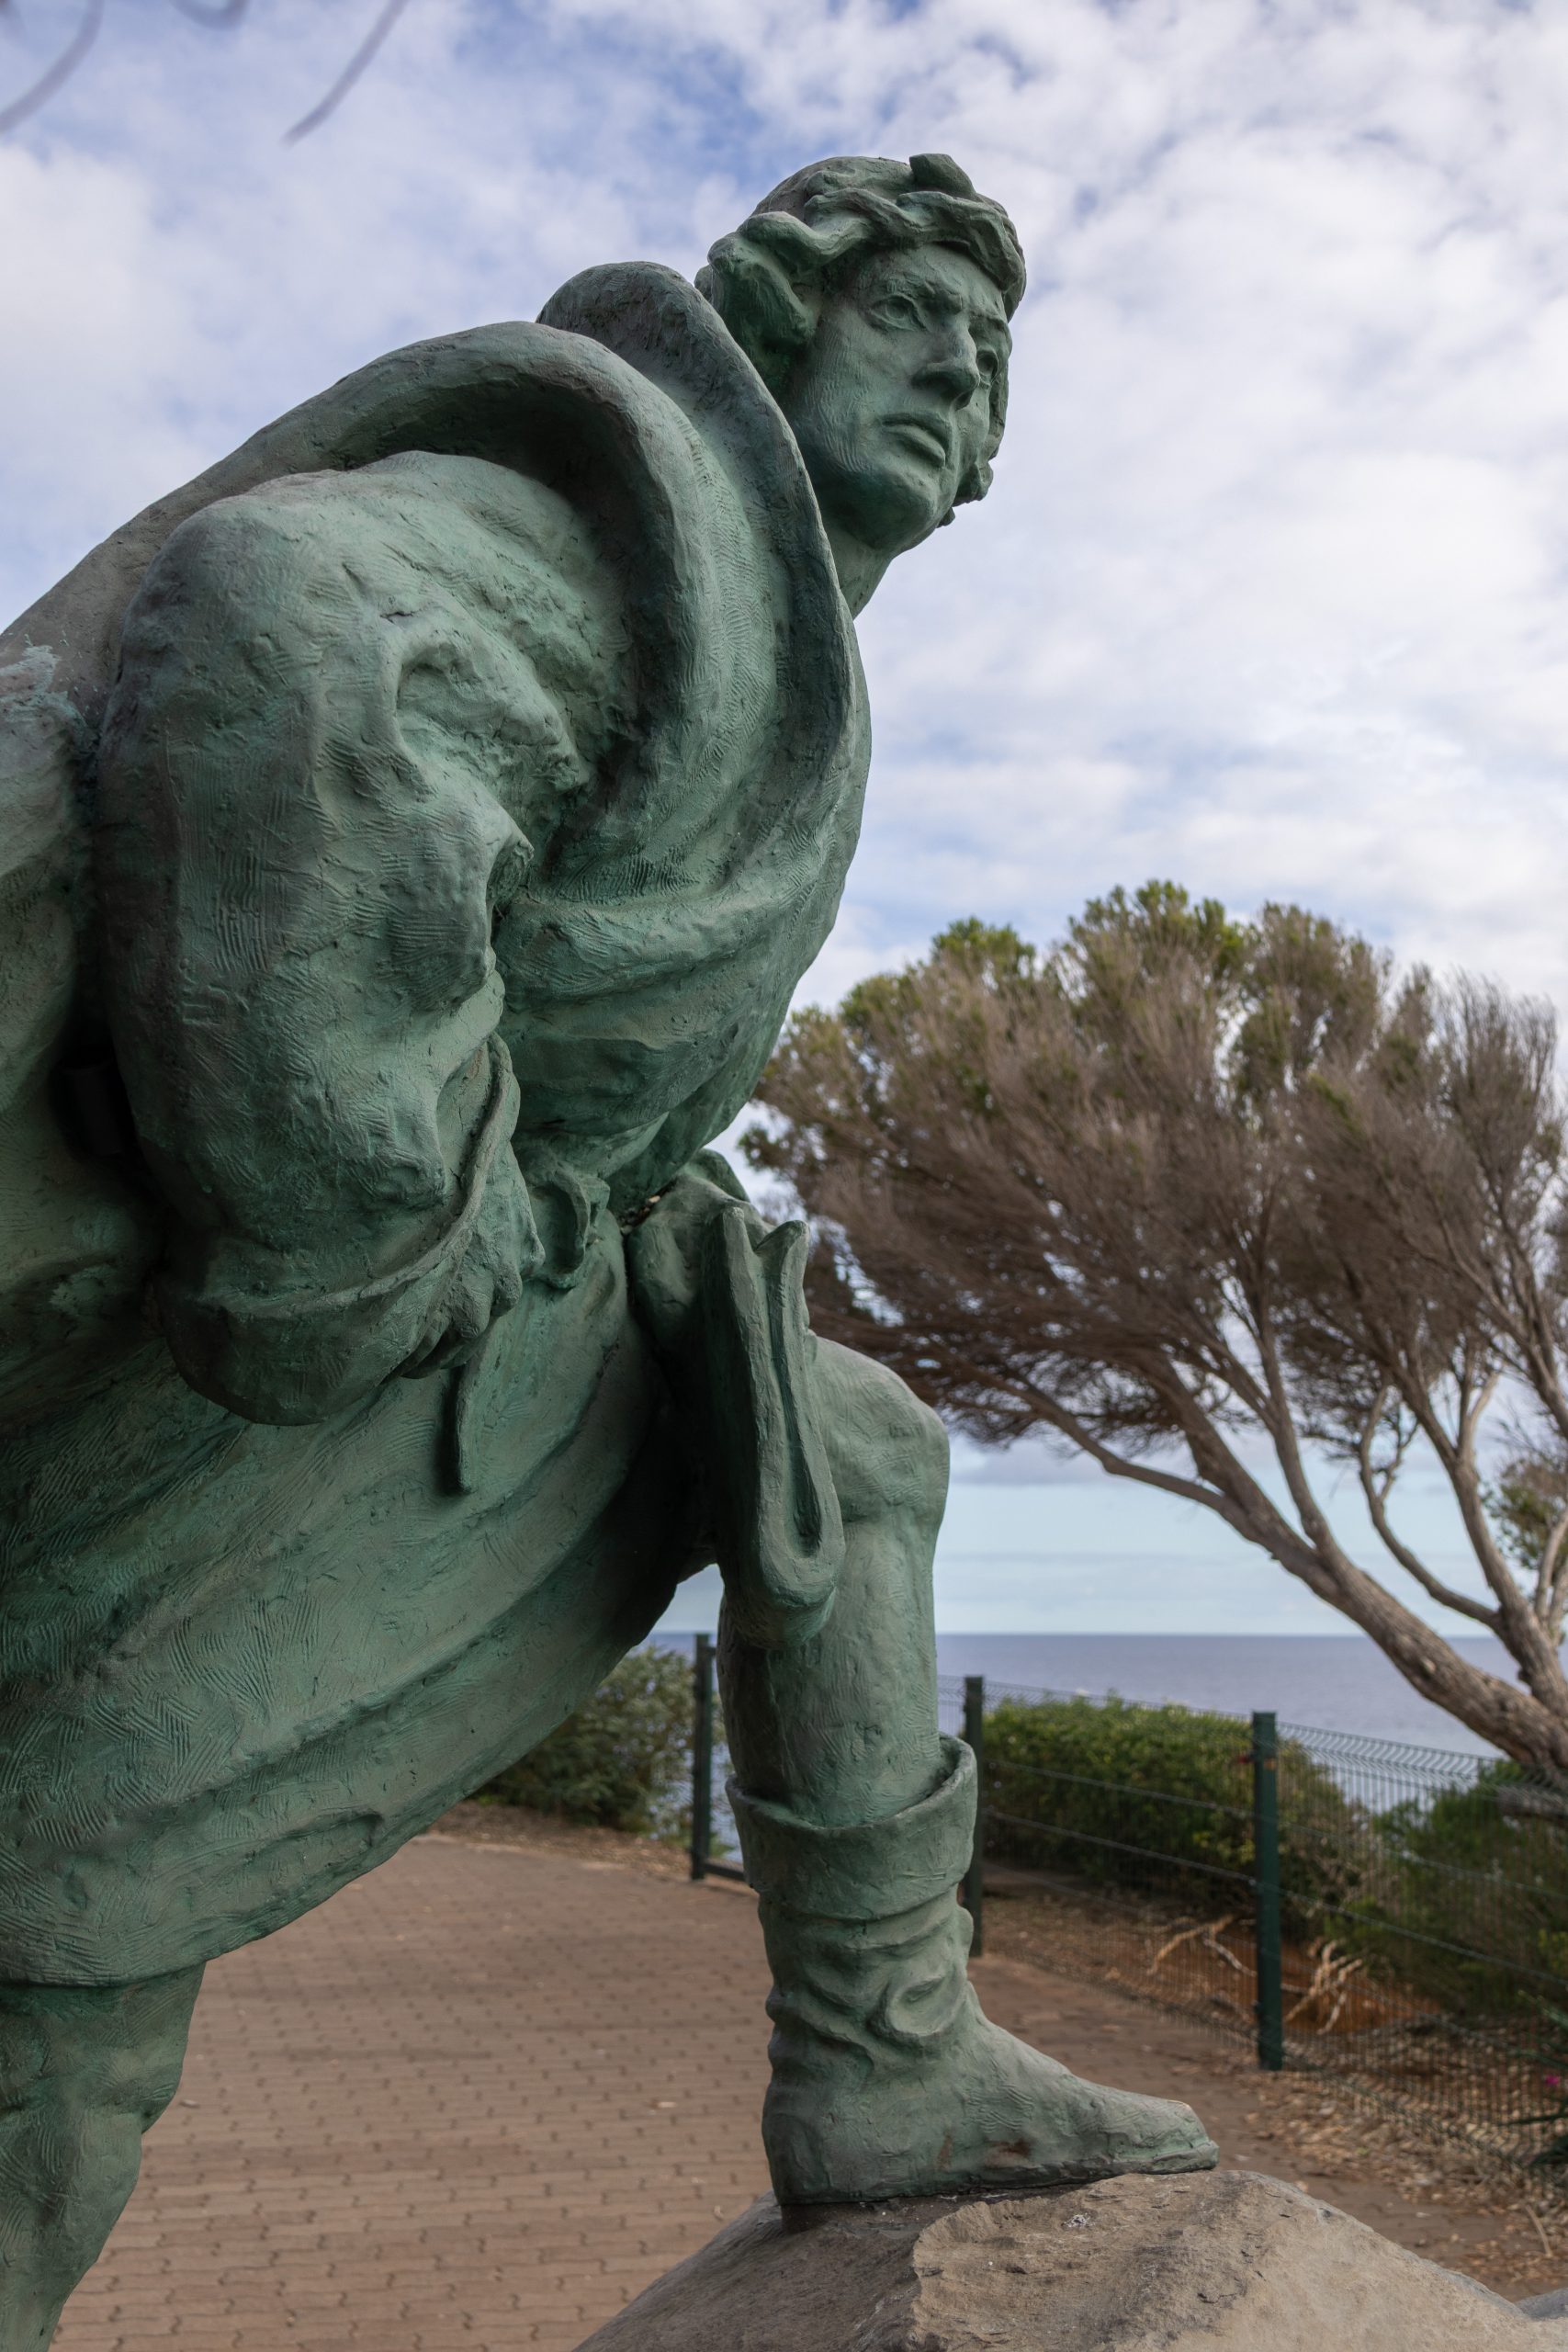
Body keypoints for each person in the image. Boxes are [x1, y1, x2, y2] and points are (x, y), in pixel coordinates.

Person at [0, 152, 1213, 2346]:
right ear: (777, 311)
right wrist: (382, 1229)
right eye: (912, 308)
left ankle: (876, 2037)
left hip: (314, 1302)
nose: (960, 362)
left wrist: (619, 1215)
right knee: (47, 2014)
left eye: (991, 349)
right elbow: (286, 631)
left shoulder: (752, 644)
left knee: (833, 1434)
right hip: (199, 1333)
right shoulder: (634, 519)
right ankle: (875, 2044)